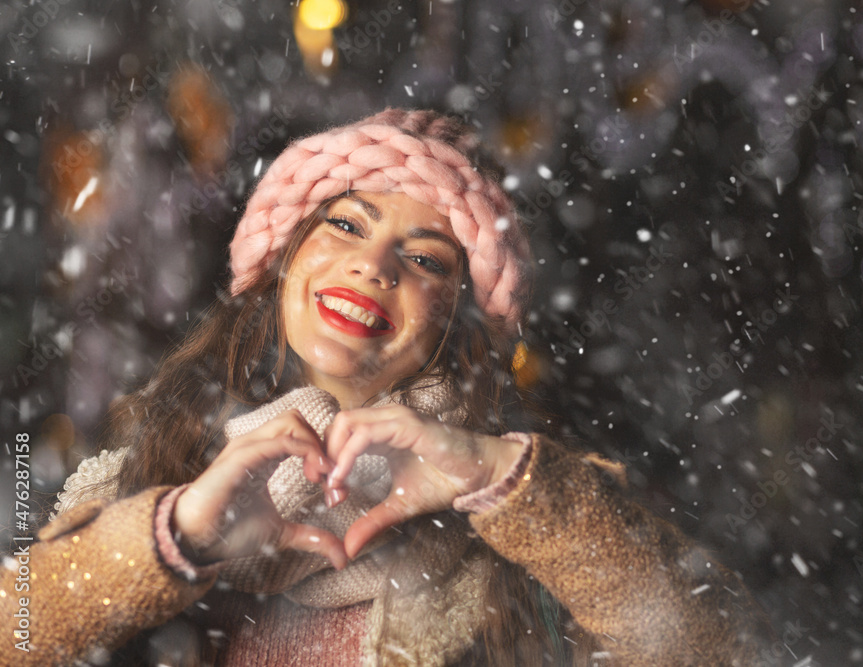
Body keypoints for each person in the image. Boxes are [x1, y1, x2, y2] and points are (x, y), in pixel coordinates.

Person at [2, 109, 773, 666]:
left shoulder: (509, 508)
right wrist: (181, 536)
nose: (375, 265)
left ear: (454, 324)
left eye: (428, 260)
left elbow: (721, 650)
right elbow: (18, 629)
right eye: (345, 225)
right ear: (283, 263)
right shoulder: (157, 458)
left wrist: (508, 485)